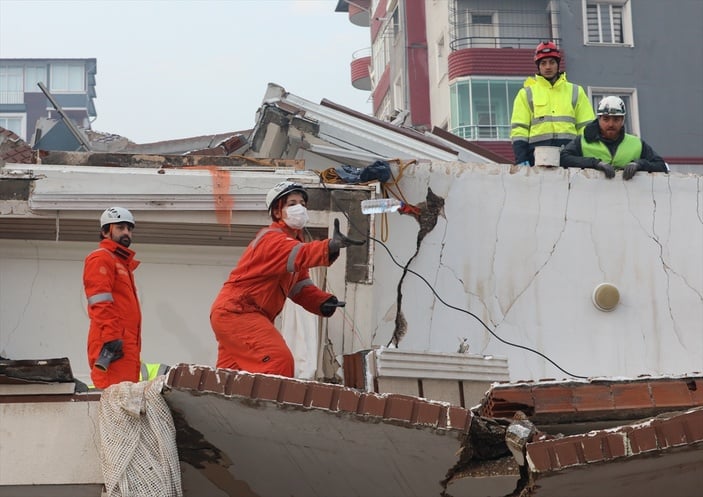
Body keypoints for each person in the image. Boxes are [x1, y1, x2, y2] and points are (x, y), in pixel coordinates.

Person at [210, 181, 364, 377]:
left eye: (302, 203)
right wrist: (330, 246)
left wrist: (322, 301)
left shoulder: (291, 244)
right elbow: (300, 254)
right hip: (239, 312)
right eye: (291, 204)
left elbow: (300, 287)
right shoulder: (271, 239)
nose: (299, 208)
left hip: (235, 314)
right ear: (277, 212)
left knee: (227, 379)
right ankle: (268, 408)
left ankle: (221, 407)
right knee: (278, 362)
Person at [83, 207, 141, 389]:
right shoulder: (101, 258)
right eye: (120, 227)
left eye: (129, 229)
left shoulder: (121, 264)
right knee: (114, 401)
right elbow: (99, 301)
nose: (126, 233)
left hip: (123, 345)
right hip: (113, 346)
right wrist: (111, 338)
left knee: (123, 400)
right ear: (105, 231)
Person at [510, 41, 594, 166]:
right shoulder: (526, 94)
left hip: (570, 157)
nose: (548, 67)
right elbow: (519, 130)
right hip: (537, 158)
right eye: (543, 63)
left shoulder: (576, 91)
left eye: (552, 62)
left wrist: (586, 158)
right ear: (538, 66)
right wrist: (521, 159)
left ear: (558, 64)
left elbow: (586, 128)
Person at [560, 96, 669, 180]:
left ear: (623, 121)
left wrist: (639, 164)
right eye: (606, 119)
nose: (611, 124)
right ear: (599, 119)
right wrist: (595, 163)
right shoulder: (583, 141)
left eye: (616, 119)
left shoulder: (636, 144)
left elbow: (660, 165)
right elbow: (563, 158)